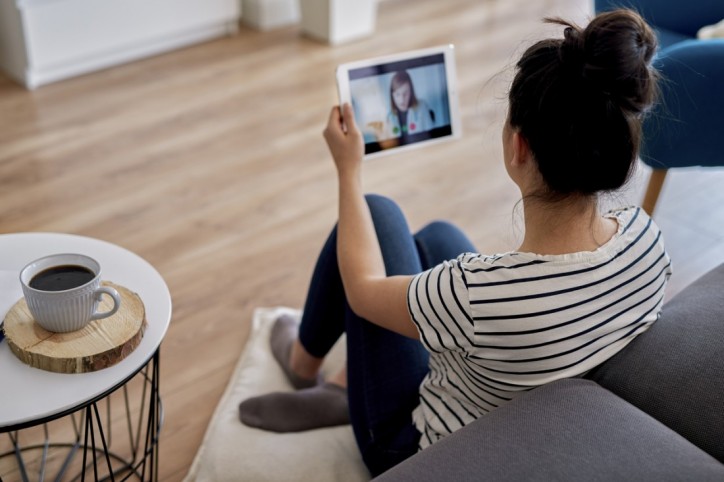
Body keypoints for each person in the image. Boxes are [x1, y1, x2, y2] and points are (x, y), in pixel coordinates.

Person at [239, 8, 672, 477]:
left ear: (518, 146)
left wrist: (348, 171)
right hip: (519, 413)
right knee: (439, 236)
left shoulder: (479, 294)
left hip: (418, 447)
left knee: (377, 211)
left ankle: (306, 368)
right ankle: (339, 380)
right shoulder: (647, 241)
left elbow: (363, 292)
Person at [366, 70, 434, 146]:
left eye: (405, 93)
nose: (402, 100)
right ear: (392, 95)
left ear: (411, 92)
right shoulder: (388, 116)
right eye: (397, 94)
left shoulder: (422, 106)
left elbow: (432, 137)